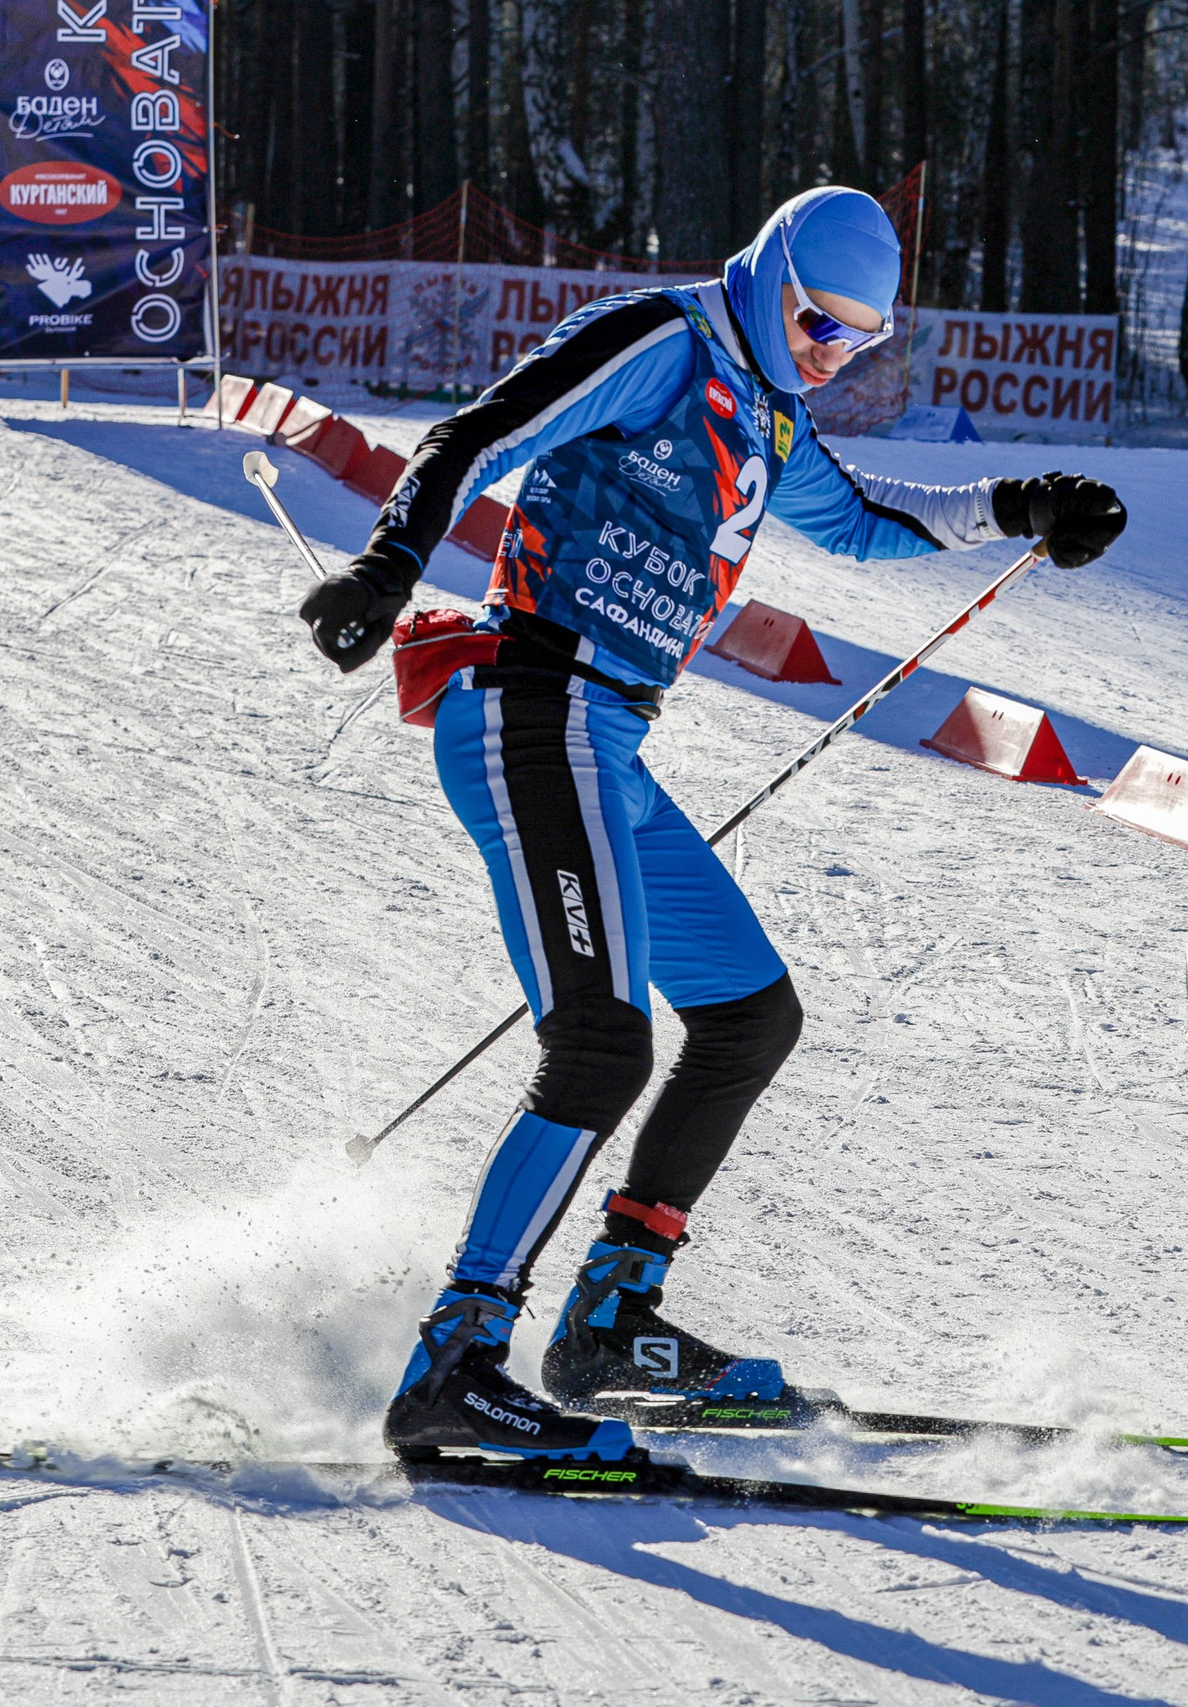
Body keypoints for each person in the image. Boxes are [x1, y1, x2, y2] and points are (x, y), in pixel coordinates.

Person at [298, 186, 1127, 1462]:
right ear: (768, 275)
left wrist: (1021, 503)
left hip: (609, 743)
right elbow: (479, 434)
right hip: (533, 705)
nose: (829, 354)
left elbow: (859, 521)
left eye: (858, 339)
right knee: (597, 1048)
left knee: (748, 1017)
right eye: (816, 323)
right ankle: (454, 1361)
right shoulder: (663, 340)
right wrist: (386, 566)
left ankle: (610, 1323)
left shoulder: (771, 408)